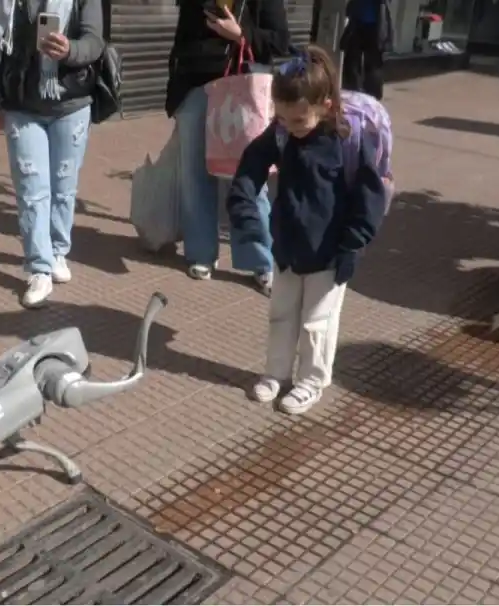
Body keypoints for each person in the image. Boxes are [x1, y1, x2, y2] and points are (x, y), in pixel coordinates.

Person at [226, 45, 387, 415]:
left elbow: (369, 198)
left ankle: (311, 381)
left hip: (331, 253)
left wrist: (353, 245)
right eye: (281, 118)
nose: (290, 127)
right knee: (281, 314)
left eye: (298, 120)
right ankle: (276, 373)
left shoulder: (348, 140)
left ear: (325, 106)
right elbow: (250, 167)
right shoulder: (282, 133)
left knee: (317, 323)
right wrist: (245, 213)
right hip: (287, 246)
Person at [0, 0, 106, 308]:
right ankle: (39, 268)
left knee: (64, 187)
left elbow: (94, 42)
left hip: (71, 104)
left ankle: (58, 252)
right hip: (22, 106)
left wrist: (70, 50)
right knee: (31, 189)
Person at [165, 0, 290, 290]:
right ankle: (201, 253)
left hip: (242, 87)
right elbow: (182, 38)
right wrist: (175, 93)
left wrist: (240, 33)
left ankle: (261, 260)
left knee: (248, 176)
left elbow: (280, 40)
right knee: (195, 175)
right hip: (195, 88)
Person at [340, 0, 392, 100]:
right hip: (359, 23)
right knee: (352, 61)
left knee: (372, 65)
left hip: (374, 26)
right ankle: (354, 92)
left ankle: (371, 95)